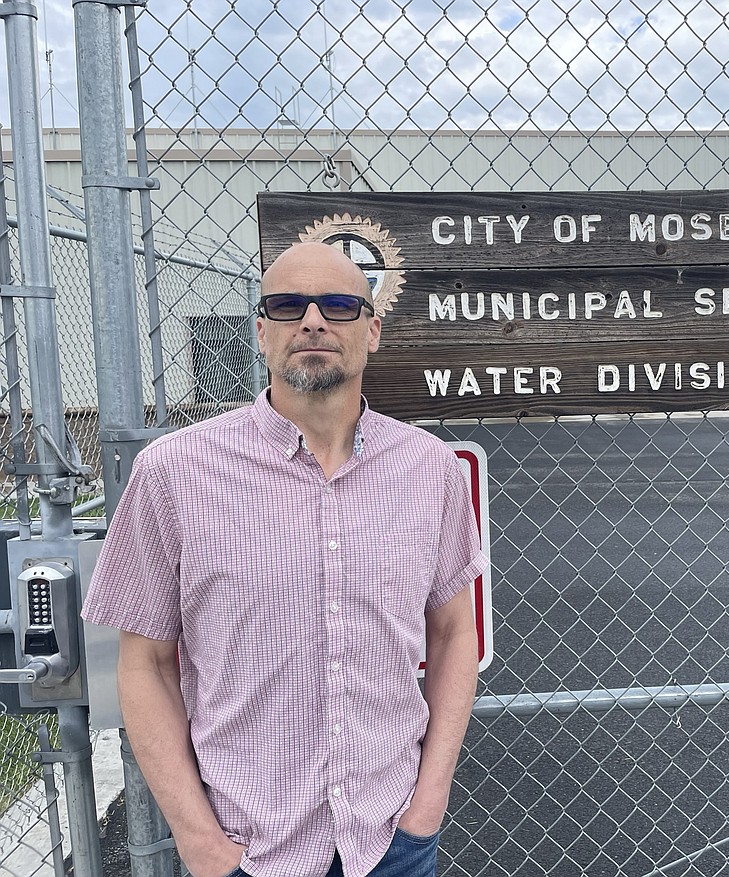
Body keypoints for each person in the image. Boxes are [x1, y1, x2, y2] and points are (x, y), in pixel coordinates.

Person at [82, 241, 486, 877]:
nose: (314, 321)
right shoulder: (175, 472)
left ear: (373, 331)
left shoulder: (429, 470)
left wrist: (427, 805)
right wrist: (201, 844)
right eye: (289, 305)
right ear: (262, 332)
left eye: (339, 305)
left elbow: (455, 631)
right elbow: (146, 664)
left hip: (391, 840)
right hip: (246, 848)